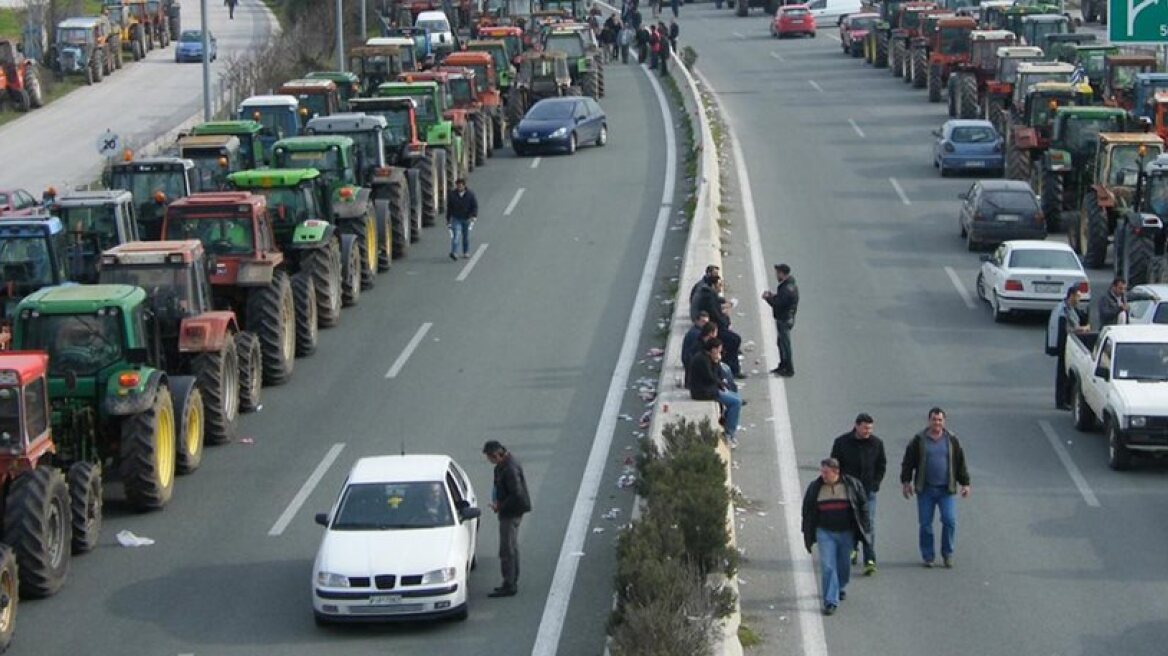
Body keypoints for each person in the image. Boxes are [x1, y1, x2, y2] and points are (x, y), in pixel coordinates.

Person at [900, 407, 971, 569]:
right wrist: (906, 482)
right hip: (926, 489)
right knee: (925, 524)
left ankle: (947, 553)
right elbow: (908, 462)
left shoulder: (952, 440)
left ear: (944, 421)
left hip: (946, 489)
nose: (937, 423)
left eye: (940, 420)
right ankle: (928, 555)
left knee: (949, 520)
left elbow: (960, 463)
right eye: (934, 419)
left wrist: (965, 483)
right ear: (929, 420)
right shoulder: (919, 440)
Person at [801, 458, 871, 616]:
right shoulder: (815, 487)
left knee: (843, 565)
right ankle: (830, 601)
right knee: (827, 566)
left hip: (846, 532)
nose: (823, 475)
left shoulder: (851, 485)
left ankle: (839, 586)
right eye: (822, 472)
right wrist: (807, 530)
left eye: (826, 472)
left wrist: (865, 527)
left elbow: (863, 505)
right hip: (824, 532)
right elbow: (807, 510)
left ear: (836, 472)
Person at [830, 413, 886, 576]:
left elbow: (881, 465)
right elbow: (834, 466)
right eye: (865, 428)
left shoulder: (877, 444)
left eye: (870, 428)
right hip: (847, 491)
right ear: (856, 426)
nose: (868, 431)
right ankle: (851, 549)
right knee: (849, 522)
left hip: (868, 492)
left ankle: (870, 560)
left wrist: (875, 484)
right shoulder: (842, 443)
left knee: (868, 524)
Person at [483, 440, 531, 597]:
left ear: (496, 455)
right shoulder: (503, 466)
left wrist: (500, 506)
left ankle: (509, 584)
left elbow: (516, 493)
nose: (489, 460)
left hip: (511, 513)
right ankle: (511, 580)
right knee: (512, 546)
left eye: (489, 457)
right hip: (510, 511)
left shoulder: (509, 468)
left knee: (507, 548)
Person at [686, 338, 742, 448]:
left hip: (710, 388)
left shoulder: (707, 358)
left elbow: (718, 376)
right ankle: (729, 433)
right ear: (713, 349)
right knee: (735, 403)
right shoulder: (702, 360)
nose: (719, 353)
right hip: (703, 391)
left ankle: (726, 420)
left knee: (736, 398)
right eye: (718, 350)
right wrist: (716, 363)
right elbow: (711, 377)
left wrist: (717, 363)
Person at [1047, 285, 1089, 409]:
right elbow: (1067, 329)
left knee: (1067, 374)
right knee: (1062, 374)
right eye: (1078, 296)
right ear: (1072, 296)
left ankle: (1066, 399)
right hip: (1064, 346)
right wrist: (1082, 329)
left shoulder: (1071, 308)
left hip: (1069, 345)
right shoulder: (1063, 310)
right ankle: (1061, 401)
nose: (1079, 299)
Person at [762, 263, 798, 377]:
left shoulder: (786, 289)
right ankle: (783, 365)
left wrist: (768, 298)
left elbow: (778, 304)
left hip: (784, 319)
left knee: (784, 344)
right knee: (781, 343)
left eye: (778, 273)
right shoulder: (788, 286)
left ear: (782, 274)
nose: (776, 275)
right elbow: (781, 299)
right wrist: (772, 296)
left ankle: (789, 368)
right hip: (787, 318)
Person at [446, 178, 478, 260]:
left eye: (460, 186)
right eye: (458, 186)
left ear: (464, 186)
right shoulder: (452, 195)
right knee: (456, 235)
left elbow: (474, 206)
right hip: (456, 218)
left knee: (465, 236)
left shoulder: (470, 194)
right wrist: (448, 219)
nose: (459, 187)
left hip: (466, 218)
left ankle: (466, 252)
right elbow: (449, 208)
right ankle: (454, 252)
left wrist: (474, 216)